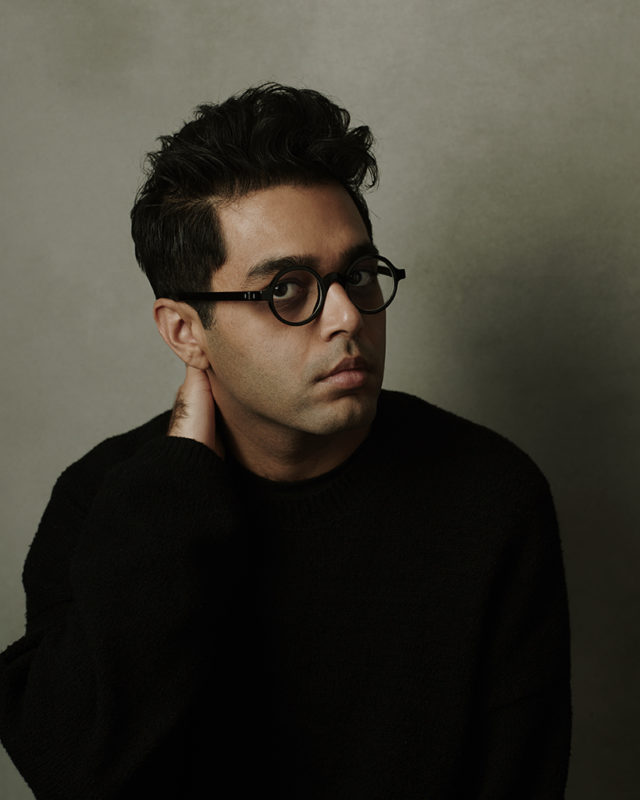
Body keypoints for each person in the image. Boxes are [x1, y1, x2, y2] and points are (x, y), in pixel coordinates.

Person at [0, 84, 571, 799]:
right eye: (288, 290)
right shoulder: (105, 502)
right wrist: (179, 483)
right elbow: (79, 773)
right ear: (185, 331)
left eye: (358, 275)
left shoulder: (490, 496)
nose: (347, 317)